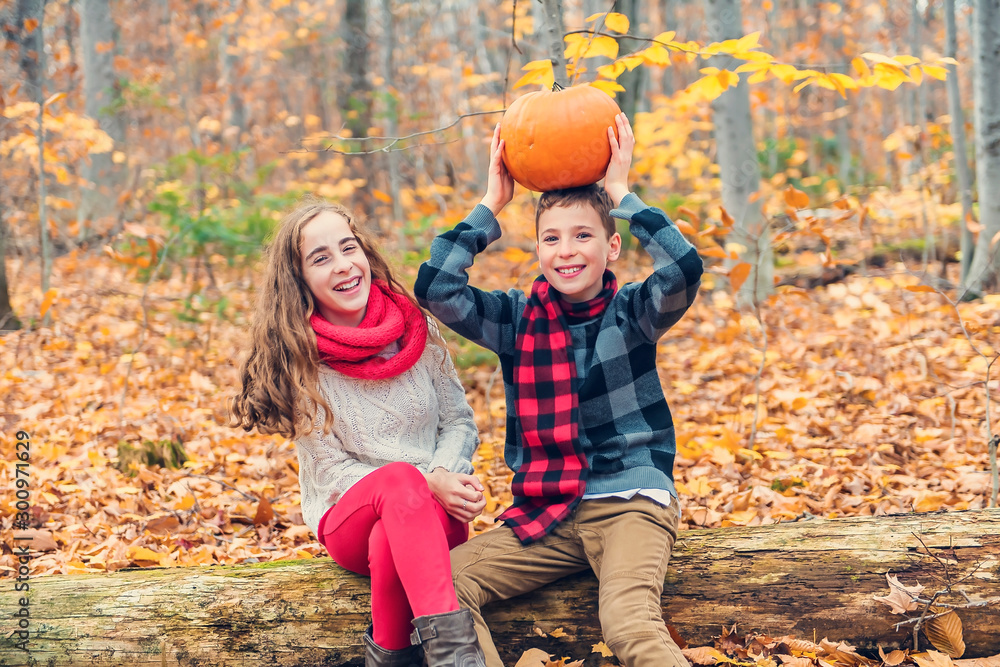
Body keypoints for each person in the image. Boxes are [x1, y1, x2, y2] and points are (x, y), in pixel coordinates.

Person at [413, 115, 704, 667]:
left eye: (583, 235)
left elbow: (684, 269)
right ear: (539, 250)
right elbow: (437, 287)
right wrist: (491, 203)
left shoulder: (636, 311)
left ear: (612, 246)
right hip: (549, 510)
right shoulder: (514, 319)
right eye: (552, 238)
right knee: (443, 584)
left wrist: (621, 192)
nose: (567, 250)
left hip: (628, 501)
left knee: (627, 624)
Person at [230, 198, 489, 667]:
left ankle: (390, 656)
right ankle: (456, 659)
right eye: (320, 257)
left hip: (436, 514)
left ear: (365, 254)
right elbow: (331, 469)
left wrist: (444, 474)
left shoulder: (418, 329)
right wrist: (423, 479)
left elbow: (459, 422)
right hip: (348, 515)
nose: (344, 265)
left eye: (348, 248)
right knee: (398, 482)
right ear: (300, 278)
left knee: (393, 525)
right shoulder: (298, 359)